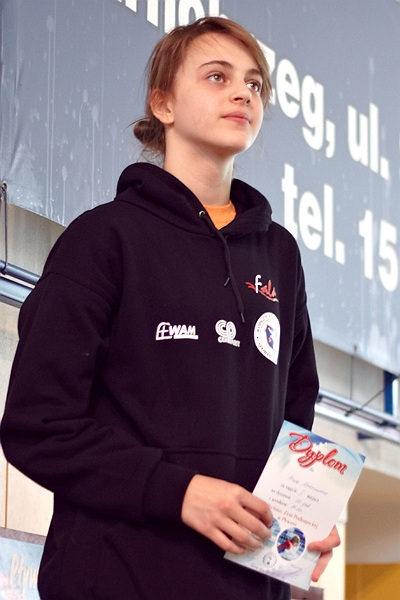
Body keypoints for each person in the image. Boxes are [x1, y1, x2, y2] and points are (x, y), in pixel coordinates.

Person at [0, 16, 340, 600]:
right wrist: (176, 491)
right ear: (163, 104)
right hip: (117, 580)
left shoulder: (280, 255)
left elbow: (295, 426)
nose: (243, 93)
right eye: (217, 77)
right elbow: (37, 427)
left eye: (254, 84)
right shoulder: (103, 239)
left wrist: (300, 522)